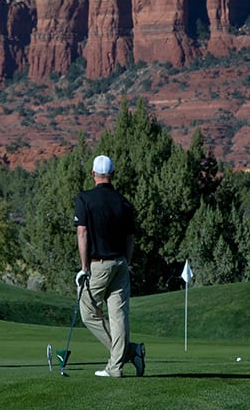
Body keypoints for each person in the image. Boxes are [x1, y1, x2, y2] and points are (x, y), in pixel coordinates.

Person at [73, 154, 145, 378]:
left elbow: (82, 233)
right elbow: (130, 238)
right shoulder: (123, 202)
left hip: (98, 265)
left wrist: (84, 268)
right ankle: (116, 367)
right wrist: (127, 262)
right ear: (112, 175)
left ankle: (130, 352)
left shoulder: (84, 199)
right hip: (121, 263)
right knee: (118, 316)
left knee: (88, 313)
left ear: (93, 174)